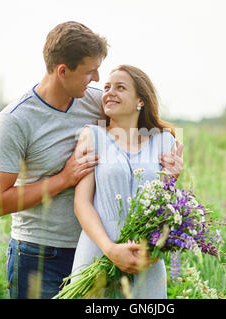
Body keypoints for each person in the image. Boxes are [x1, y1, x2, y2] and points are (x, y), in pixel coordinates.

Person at [0, 22, 184, 299]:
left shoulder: (96, 100)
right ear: (63, 71)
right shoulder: (15, 120)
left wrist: (171, 172)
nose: (98, 80)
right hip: (40, 254)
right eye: (90, 72)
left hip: (94, 250)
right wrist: (63, 179)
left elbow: (137, 140)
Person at [71, 65, 181, 298]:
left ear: (140, 100)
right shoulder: (92, 135)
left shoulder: (164, 141)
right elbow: (82, 203)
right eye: (107, 87)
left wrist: (173, 179)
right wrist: (110, 250)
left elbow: (165, 207)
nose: (110, 92)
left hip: (145, 258)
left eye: (120, 88)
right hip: (97, 252)